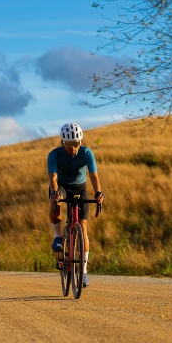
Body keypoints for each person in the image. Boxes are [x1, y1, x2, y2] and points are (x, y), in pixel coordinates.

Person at [48, 123, 104, 287]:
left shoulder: (87, 153)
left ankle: (84, 272)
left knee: (83, 229)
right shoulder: (54, 155)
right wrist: (54, 192)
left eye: (76, 144)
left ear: (80, 141)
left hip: (80, 187)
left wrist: (98, 193)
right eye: (69, 144)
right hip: (61, 186)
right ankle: (58, 236)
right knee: (55, 203)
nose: (73, 148)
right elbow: (52, 177)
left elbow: (93, 175)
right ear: (62, 142)